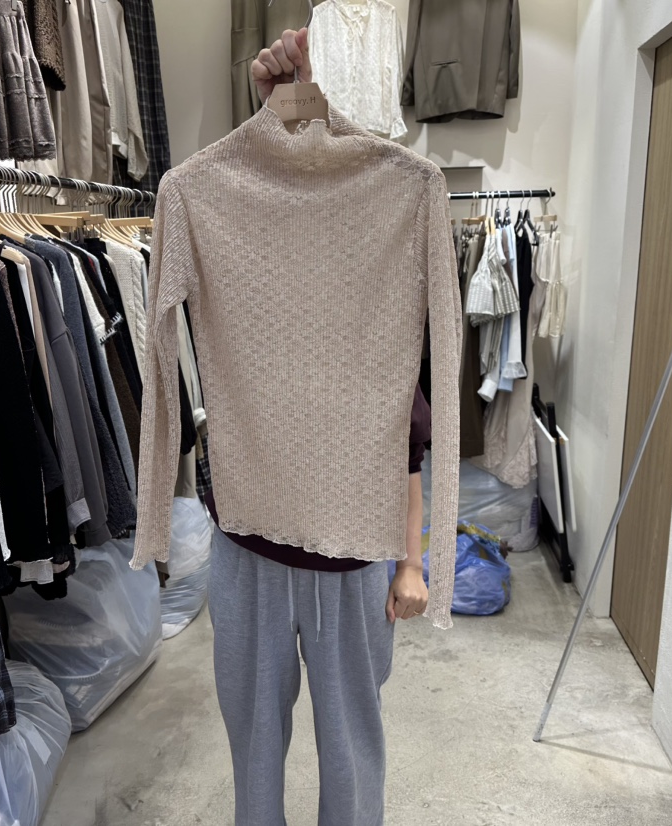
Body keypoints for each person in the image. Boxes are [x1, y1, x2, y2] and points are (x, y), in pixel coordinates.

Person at [204, 27, 431, 825]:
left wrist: (412, 563)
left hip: (354, 553)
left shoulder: (393, 225)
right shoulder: (226, 218)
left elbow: (408, 446)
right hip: (246, 548)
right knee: (253, 752)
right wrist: (276, 108)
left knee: (352, 751)